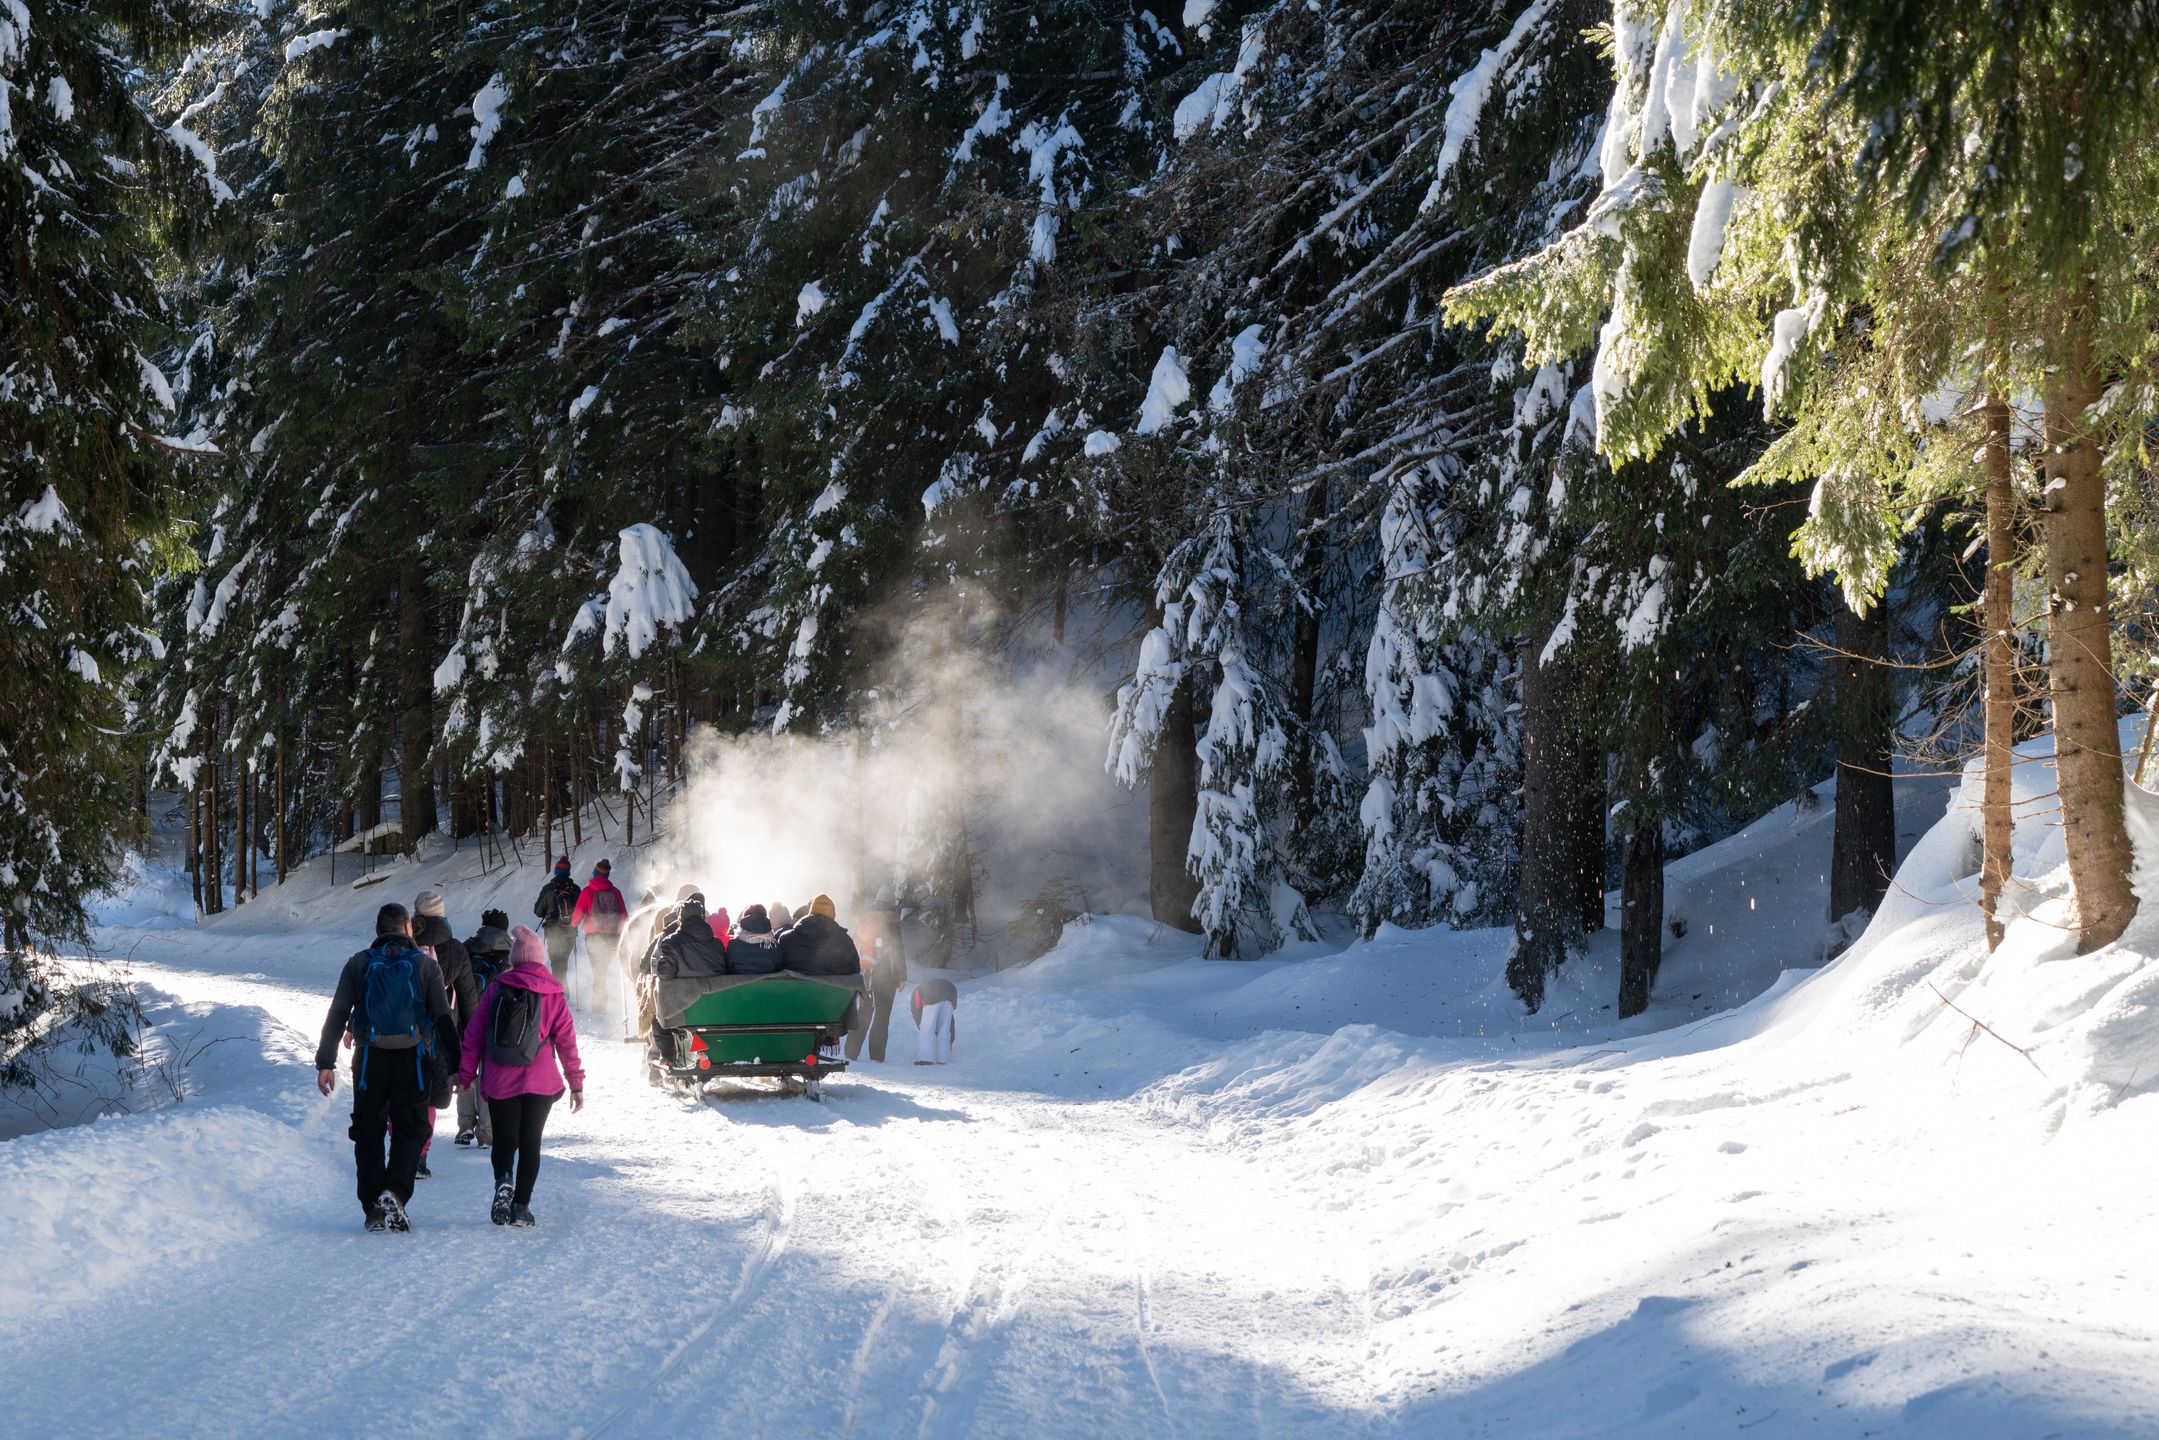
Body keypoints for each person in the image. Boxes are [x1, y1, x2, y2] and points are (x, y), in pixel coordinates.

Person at [315, 903, 458, 1233]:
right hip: (413, 1060)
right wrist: (458, 1065)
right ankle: (394, 1192)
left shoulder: (360, 963)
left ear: (378, 930)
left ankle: (372, 1208)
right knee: (411, 1130)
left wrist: (326, 1061)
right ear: (408, 928)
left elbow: (337, 1013)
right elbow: (442, 1018)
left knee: (369, 1132)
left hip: (369, 1060)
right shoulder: (424, 965)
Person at [456, 925, 585, 1228]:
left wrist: (465, 1075)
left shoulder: (496, 989)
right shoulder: (553, 993)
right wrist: (576, 1083)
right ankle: (521, 1207)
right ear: (540, 958)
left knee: (504, 1141)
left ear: (514, 959)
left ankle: (504, 1180)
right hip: (541, 1082)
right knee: (530, 1144)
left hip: (500, 1080)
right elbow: (567, 1042)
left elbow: (473, 1036)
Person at [407, 888, 475, 1175]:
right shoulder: (456, 949)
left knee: (404, 1091)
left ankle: (404, 1148)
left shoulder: (406, 944)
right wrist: (470, 1041)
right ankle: (421, 1155)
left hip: (406, 1029)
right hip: (443, 1032)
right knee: (431, 1095)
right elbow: (469, 998)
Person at [456, 910, 513, 1147]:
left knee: (466, 1072)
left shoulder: (465, 949)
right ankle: (486, 1133)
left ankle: (465, 1125)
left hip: (465, 1021)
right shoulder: (508, 956)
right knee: (489, 1075)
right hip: (493, 1023)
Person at [846, 901, 907, 1064]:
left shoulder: (864, 923)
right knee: (882, 1017)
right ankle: (877, 1056)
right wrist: (902, 976)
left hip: (866, 977)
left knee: (863, 1014)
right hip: (886, 978)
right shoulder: (892, 924)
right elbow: (898, 950)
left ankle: (851, 1052)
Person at [570, 857, 628, 1012]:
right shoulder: (615, 892)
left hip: (594, 938)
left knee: (598, 971)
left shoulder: (587, 892)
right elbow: (624, 916)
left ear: (595, 873)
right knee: (603, 969)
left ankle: (599, 1006)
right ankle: (605, 1002)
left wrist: (572, 925)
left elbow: (577, 916)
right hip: (613, 937)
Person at [778, 893, 861, 976]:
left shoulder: (785, 938)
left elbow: (776, 965)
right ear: (833, 916)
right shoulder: (845, 942)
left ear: (810, 912)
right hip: (831, 989)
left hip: (792, 987)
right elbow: (855, 970)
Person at [534, 856, 581, 980]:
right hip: (570, 932)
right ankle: (562, 993)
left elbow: (537, 911)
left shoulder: (548, 889)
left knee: (556, 966)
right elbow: (580, 912)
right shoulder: (575, 889)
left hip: (553, 932)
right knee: (562, 965)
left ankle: (559, 994)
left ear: (556, 871)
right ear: (568, 872)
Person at [910, 976, 958, 1066]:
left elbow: (917, 1013)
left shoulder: (916, 992)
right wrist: (951, 1040)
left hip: (932, 993)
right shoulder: (923, 988)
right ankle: (942, 1058)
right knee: (944, 1029)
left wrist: (923, 1027)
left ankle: (925, 1059)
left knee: (926, 1030)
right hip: (951, 992)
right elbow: (951, 1021)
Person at [726, 904, 783, 974]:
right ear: (765, 918)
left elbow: (729, 968)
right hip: (769, 984)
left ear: (744, 919)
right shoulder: (775, 946)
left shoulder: (733, 945)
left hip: (740, 983)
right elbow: (778, 969)